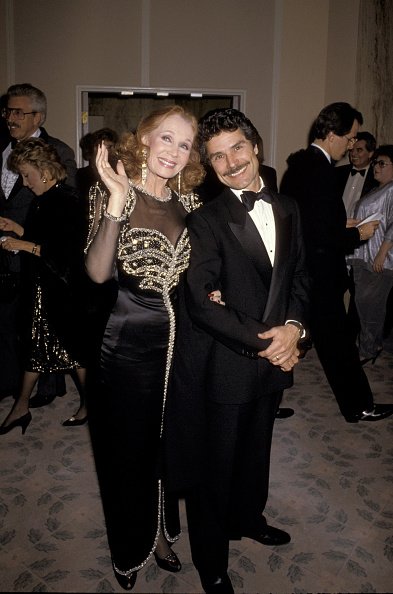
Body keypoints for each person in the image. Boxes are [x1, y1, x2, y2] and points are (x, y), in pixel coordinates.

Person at [171, 107, 309, 594]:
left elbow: (300, 278)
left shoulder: (289, 206)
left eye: (237, 149)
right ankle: (211, 562)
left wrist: (294, 327)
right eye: (217, 157)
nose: (231, 163)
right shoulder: (204, 221)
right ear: (208, 166)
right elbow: (202, 304)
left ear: (256, 146)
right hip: (226, 366)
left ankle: (249, 517)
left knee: (258, 450)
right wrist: (270, 344)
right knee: (217, 467)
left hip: (276, 360)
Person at [84, 105, 205, 591]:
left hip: (180, 349)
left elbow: (200, 275)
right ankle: (128, 547)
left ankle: (159, 533)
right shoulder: (112, 193)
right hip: (126, 347)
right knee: (126, 453)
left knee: (165, 447)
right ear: (145, 139)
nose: (174, 152)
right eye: (166, 139)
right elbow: (96, 272)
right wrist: (116, 200)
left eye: (185, 144)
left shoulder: (190, 203)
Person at [280, 101, 393, 423]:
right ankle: (359, 405)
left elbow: (306, 221)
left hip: (303, 270)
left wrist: (340, 225)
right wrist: (358, 235)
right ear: (333, 134)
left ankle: (354, 404)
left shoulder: (300, 165)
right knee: (338, 345)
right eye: (350, 137)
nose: (353, 144)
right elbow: (320, 236)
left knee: (313, 341)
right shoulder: (321, 170)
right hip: (320, 273)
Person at [0, 138, 88, 435]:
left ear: (45, 171)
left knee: (71, 352)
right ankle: (21, 406)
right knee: (38, 350)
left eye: (27, 174)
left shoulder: (68, 201)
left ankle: (90, 405)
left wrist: (21, 244)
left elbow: (64, 254)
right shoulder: (44, 199)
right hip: (41, 288)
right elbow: (42, 237)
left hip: (59, 291)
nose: (25, 183)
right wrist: (16, 229)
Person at [0, 83, 77, 405]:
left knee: (43, 320)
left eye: (19, 112)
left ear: (38, 116)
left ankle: (48, 387)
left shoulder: (59, 151)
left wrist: (24, 237)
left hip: (39, 255)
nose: (11, 118)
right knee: (7, 321)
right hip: (7, 248)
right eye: (8, 111)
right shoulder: (2, 148)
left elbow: (64, 210)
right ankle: (9, 382)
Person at [347, 145, 393, 365]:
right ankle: (368, 344)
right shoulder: (378, 189)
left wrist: (381, 255)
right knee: (362, 303)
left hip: (378, 258)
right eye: (376, 162)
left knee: (371, 306)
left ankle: (369, 348)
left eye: (382, 163)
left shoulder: (392, 189)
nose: (376, 166)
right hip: (363, 255)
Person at [336, 131, 378, 218]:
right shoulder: (338, 173)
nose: (353, 154)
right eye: (351, 150)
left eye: (359, 150)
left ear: (370, 153)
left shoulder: (376, 177)